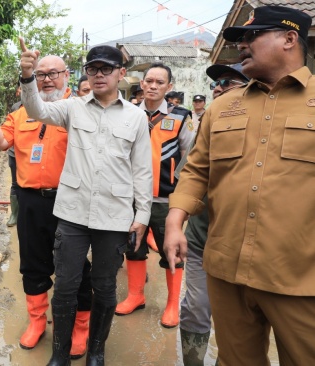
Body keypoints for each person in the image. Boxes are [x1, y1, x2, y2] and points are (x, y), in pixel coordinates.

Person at [165, 5, 315, 365]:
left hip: (298, 277)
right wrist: (174, 222)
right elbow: (197, 172)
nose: (241, 46)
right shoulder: (223, 108)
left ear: (289, 39)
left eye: (251, 37)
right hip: (226, 270)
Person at [12, 39, 152, 365]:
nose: (99, 74)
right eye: (93, 68)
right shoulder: (73, 107)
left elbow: (142, 170)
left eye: (106, 68)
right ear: (86, 73)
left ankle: (96, 351)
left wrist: (142, 215)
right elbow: (37, 110)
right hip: (72, 212)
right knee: (65, 286)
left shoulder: (135, 117)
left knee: (104, 288)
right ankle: (60, 353)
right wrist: (28, 76)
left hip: (114, 215)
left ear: (120, 73)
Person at [0, 53, 94, 359]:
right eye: (40, 74)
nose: (47, 79)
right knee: (32, 263)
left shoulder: (81, 111)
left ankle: (80, 327)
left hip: (71, 200)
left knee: (75, 266)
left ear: (67, 75)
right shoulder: (19, 115)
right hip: (30, 200)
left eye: (53, 73)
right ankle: (37, 321)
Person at [177, 63, 248, 366]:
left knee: (241, 320)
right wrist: (175, 223)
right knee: (196, 308)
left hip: (251, 247)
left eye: (227, 83)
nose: (217, 88)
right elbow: (190, 177)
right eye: (215, 84)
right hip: (201, 240)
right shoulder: (208, 125)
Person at [116, 62, 195, 329]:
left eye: (159, 82)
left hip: (164, 198)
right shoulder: (126, 113)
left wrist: (181, 195)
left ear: (169, 87)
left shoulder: (182, 116)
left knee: (170, 249)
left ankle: (172, 303)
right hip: (130, 198)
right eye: (149, 81)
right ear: (142, 83)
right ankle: (135, 295)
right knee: (132, 247)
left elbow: (189, 158)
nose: (152, 86)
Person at [7, 86, 23, 227]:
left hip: (31, 154)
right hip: (14, 152)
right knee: (15, 183)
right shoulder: (16, 107)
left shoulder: (43, 107)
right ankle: (15, 214)